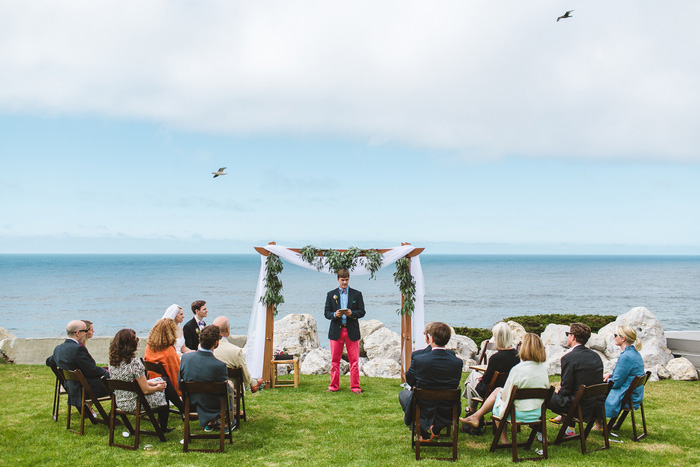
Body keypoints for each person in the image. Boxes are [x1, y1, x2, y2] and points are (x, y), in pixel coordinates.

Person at [460, 333, 549, 442]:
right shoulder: (543, 369)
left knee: (499, 398)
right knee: (498, 391)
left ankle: (503, 441)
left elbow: (506, 395)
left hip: (518, 413)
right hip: (537, 412)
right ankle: (476, 416)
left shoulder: (518, 370)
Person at [398, 322, 463, 440]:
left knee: (403, 395)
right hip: (447, 407)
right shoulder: (457, 362)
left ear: (431, 338)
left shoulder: (419, 359)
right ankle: (435, 427)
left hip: (424, 406)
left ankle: (420, 429)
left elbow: (410, 380)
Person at [108, 329, 172, 433]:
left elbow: (130, 381)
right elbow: (146, 390)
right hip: (136, 402)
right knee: (165, 387)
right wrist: (158, 387)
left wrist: (153, 383)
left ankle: (181, 411)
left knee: (161, 381)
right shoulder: (135, 363)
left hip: (120, 402)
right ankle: (163, 428)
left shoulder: (113, 361)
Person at [548, 323, 604, 430]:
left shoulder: (569, 358)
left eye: (568, 334)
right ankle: (569, 429)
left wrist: (557, 393)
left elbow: (566, 389)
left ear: (573, 336)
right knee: (572, 395)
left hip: (578, 407)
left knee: (545, 396)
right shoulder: (596, 356)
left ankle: (540, 434)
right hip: (594, 405)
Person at [179, 325, 233, 432]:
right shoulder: (219, 365)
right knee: (229, 387)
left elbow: (180, 384)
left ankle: (211, 423)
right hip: (213, 406)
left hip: (191, 403)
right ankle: (227, 423)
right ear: (216, 343)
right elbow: (225, 392)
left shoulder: (185, 358)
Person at [46, 320, 109, 409]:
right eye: (85, 331)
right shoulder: (78, 349)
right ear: (78, 333)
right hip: (85, 389)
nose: (86, 333)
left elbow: (49, 361)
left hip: (72, 387)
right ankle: (115, 414)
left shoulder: (59, 349)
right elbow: (92, 371)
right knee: (118, 381)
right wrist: (106, 371)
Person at [462, 322, 520, 417]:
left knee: (470, 382)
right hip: (507, 388)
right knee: (473, 377)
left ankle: (472, 410)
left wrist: (482, 378)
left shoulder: (496, 358)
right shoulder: (517, 355)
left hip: (491, 391)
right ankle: (471, 409)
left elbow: (486, 379)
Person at [324, 269, 366, 394]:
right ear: (338, 280)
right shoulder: (331, 294)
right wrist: (334, 314)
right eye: (342, 280)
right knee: (334, 361)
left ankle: (355, 387)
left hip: (351, 331)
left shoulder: (356, 294)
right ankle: (333, 386)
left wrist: (352, 313)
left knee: (354, 361)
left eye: (346, 280)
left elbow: (362, 311)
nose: (344, 282)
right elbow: (326, 313)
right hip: (336, 331)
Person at [212, 316, 264, 393]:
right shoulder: (235, 351)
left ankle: (254, 383)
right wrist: (250, 382)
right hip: (230, 391)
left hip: (210, 389)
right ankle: (254, 383)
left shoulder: (203, 348)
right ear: (227, 329)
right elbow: (245, 378)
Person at [604, 326, 646, 419]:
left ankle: (599, 424)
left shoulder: (626, 356)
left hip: (627, 397)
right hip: (634, 394)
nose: (614, 337)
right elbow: (625, 374)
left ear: (622, 338)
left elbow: (615, 383)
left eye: (615, 335)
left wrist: (605, 381)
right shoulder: (634, 353)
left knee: (594, 394)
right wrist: (611, 375)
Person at [144, 318, 185, 414]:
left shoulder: (149, 347)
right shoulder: (169, 351)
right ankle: (183, 408)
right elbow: (176, 372)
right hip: (167, 384)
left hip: (152, 379)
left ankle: (181, 408)